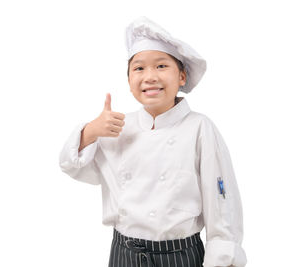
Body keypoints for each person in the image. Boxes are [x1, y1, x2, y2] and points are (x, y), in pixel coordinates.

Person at [58, 16, 247, 267]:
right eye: (139, 68)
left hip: (180, 255)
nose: (150, 76)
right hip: (124, 253)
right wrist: (90, 131)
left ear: (182, 76)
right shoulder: (116, 126)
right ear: (129, 82)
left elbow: (221, 199)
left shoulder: (200, 128)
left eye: (161, 66)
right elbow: (73, 167)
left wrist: (222, 257)